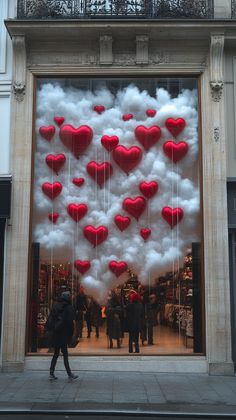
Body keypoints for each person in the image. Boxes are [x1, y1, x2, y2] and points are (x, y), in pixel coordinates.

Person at [48, 291, 78, 380]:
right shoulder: (69, 308)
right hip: (64, 335)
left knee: (56, 354)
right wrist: (71, 335)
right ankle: (69, 374)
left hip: (56, 334)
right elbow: (70, 324)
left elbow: (51, 319)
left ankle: (51, 372)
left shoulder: (55, 305)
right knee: (65, 354)